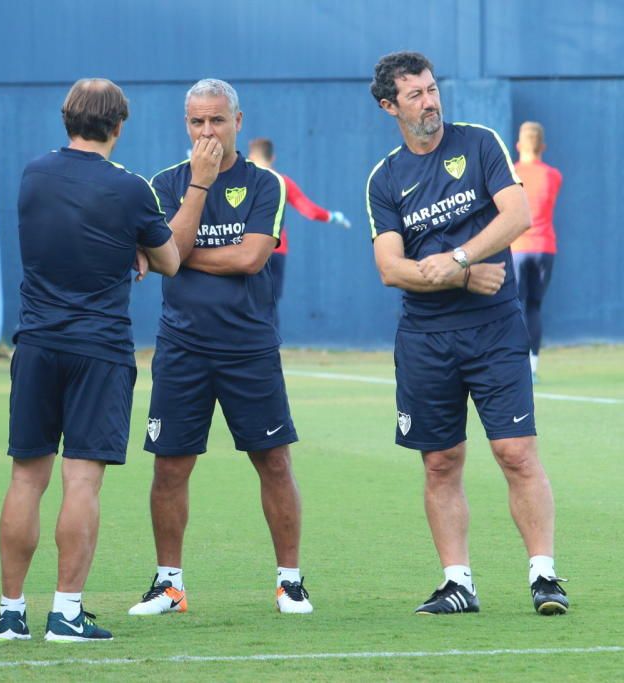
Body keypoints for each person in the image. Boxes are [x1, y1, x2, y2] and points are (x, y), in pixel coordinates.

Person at [366, 51, 568, 616]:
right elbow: (391, 269)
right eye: (415, 95)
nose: (430, 101)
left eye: (432, 89)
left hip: (495, 328)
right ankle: (458, 583)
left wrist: (456, 257)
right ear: (390, 106)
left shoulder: (479, 143)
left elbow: (516, 215)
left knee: (515, 452)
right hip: (426, 340)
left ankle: (544, 576)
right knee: (440, 462)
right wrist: (460, 275)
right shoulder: (384, 179)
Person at [0, 78, 180, 643]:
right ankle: (66, 612)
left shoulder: (33, 173)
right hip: (98, 350)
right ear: (119, 127)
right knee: (82, 482)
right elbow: (170, 260)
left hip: (36, 344)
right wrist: (136, 245)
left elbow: (62, 227)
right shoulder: (131, 190)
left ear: (66, 119)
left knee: (26, 478)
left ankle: (10, 613)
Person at [129, 79, 314, 618]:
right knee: (169, 468)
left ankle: (290, 582)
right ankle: (169, 585)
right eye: (196, 122)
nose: (206, 131)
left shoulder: (265, 184)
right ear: (185, 125)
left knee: (274, 462)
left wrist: (176, 256)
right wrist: (199, 188)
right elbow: (172, 252)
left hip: (249, 348)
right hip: (182, 347)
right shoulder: (163, 184)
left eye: (216, 120)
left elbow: (250, 259)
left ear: (238, 120)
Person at [247, 137, 350, 306]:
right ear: (272, 158)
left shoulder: (242, 181)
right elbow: (309, 211)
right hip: (276, 249)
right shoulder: (282, 182)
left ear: (251, 157)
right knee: (269, 308)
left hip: (248, 250)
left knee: (246, 306)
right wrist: (334, 217)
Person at [510, 122, 562, 380]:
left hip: (517, 247)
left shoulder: (512, 174)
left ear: (519, 145)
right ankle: (532, 367)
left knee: (515, 305)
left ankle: (516, 365)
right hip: (544, 248)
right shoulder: (553, 175)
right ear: (543, 146)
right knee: (534, 306)